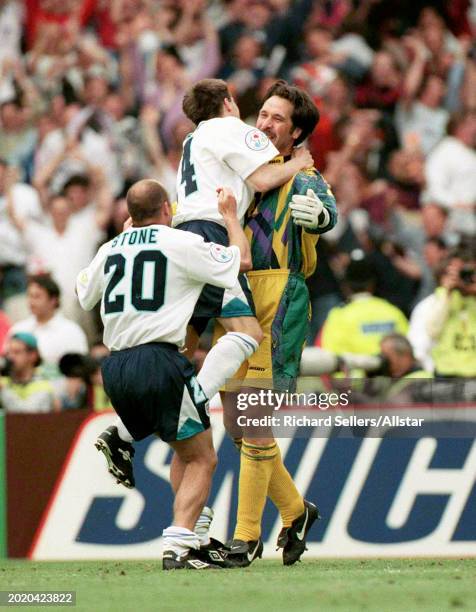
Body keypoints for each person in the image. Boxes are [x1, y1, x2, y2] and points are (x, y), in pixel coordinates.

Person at [77, 179, 257, 570]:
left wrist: (123, 242)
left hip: (115, 367)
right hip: (158, 361)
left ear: (129, 215)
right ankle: (177, 543)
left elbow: (84, 293)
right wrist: (229, 216)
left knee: (185, 451)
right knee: (202, 459)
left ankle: (195, 538)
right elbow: (241, 260)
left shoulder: (109, 249)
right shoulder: (178, 242)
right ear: (166, 210)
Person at [216, 80, 338, 567]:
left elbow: (327, 212)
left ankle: (245, 539)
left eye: (276, 118)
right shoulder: (247, 172)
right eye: (262, 114)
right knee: (235, 425)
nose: (264, 123)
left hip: (281, 296)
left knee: (255, 421)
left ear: (296, 133)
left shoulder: (303, 174)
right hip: (238, 298)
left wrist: (322, 218)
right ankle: (295, 511)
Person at [320, 250, 409, 356]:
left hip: (355, 372)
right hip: (392, 372)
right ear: (372, 284)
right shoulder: (393, 311)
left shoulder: (338, 316)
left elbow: (330, 355)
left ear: (346, 286)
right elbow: (408, 348)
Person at [9, 274, 88, 372]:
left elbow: (79, 369)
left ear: (53, 300)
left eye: (37, 296)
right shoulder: (18, 330)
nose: (31, 301)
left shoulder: (71, 331)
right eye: (29, 296)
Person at [0, 332, 58, 413]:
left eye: (16, 352)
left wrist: (2, 390)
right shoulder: (4, 381)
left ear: (33, 355)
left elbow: (27, 416)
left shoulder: (43, 385)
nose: (10, 357)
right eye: (9, 352)